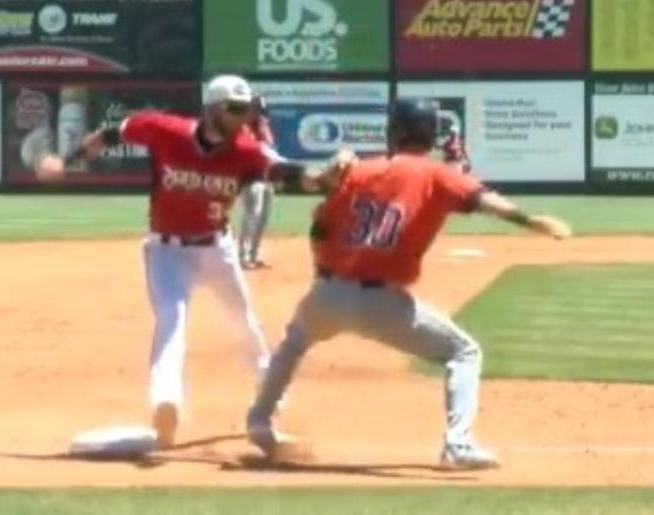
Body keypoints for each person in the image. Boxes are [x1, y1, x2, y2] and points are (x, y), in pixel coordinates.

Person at [244, 98, 571, 470]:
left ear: (393, 132)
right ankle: (458, 445)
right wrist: (530, 221)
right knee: (464, 353)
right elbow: (486, 201)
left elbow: (319, 227)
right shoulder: (438, 174)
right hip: (383, 304)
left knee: (293, 343)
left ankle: (259, 420)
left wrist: (325, 276)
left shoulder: (357, 170)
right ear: (430, 135)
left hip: (327, 292)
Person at [32, 75, 337, 448]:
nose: (243, 118)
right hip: (166, 251)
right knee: (171, 321)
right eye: (235, 109)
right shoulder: (165, 131)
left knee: (244, 322)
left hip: (216, 248)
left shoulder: (245, 149)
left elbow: (284, 172)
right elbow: (112, 135)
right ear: (212, 108)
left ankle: (271, 397)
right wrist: (68, 162)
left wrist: (320, 177)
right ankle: (167, 401)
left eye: (247, 111)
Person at [239, 94, 276, 270]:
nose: (260, 113)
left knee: (263, 218)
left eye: (262, 110)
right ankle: (243, 256)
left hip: (266, 178)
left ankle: (254, 254)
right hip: (251, 179)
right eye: (257, 110)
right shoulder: (244, 128)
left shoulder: (264, 126)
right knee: (252, 216)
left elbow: (270, 151)